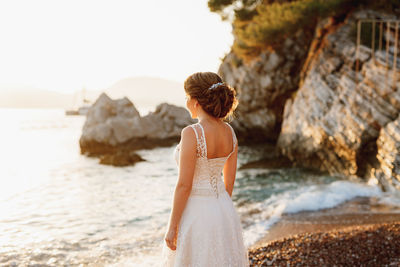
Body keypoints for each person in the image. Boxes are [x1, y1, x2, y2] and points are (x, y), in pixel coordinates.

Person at [161, 72, 249, 266]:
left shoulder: (191, 133)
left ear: (196, 101)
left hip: (196, 213)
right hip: (224, 209)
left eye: (186, 97)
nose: (185, 101)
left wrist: (172, 226)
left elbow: (184, 185)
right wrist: (220, 210)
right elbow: (230, 182)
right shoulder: (230, 132)